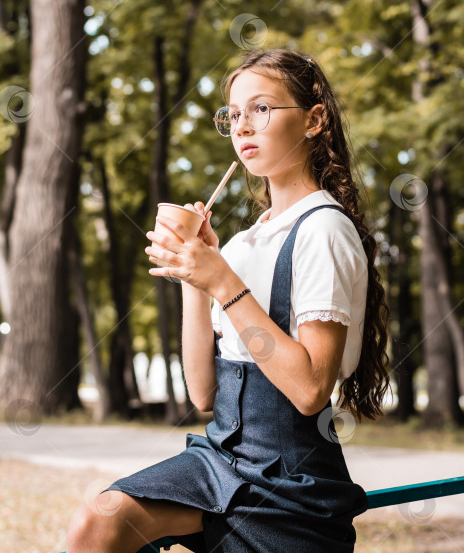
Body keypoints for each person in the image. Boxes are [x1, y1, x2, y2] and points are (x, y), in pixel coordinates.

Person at [66, 48, 391, 553]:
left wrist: (222, 282)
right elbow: (202, 393)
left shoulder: (324, 229)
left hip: (291, 481)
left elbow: (309, 390)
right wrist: (196, 279)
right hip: (220, 459)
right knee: (99, 518)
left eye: (261, 109)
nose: (243, 126)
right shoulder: (242, 243)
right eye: (234, 115)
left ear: (314, 119)